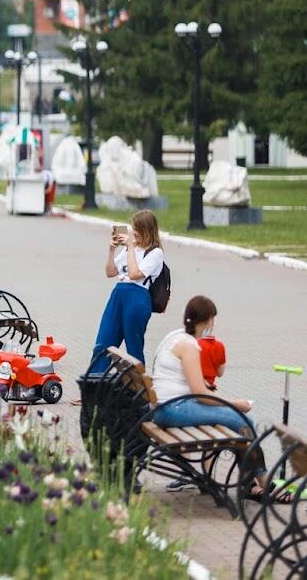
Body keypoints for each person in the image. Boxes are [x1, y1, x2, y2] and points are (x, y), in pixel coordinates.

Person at [149, 295, 284, 500]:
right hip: (172, 409)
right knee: (243, 420)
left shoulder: (175, 336)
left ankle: (252, 484)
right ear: (209, 320)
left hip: (165, 407)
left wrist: (225, 404)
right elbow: (200, 393)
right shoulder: (189, 345)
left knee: (237, 423)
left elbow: (197, 389)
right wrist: (235, 404)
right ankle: (261, 482)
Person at [87, 210, 165, 374]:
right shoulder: (131, 248)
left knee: (133, 346)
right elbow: (110, 272)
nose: (134, 232)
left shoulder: (155, 253)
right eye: (133, 228)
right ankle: (92, 386)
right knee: (103, 342)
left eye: (137, 229)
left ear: (147, 230)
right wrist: (111, 250)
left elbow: (135, 274)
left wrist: (130, 247)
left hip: (137, 297)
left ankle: (139, 390)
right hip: (118, 295)